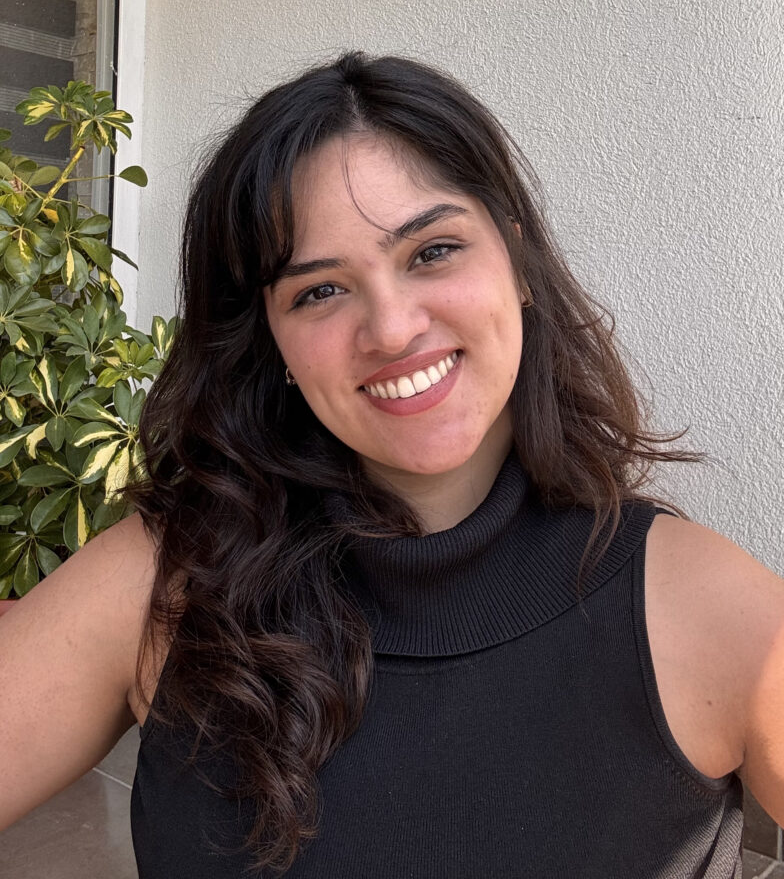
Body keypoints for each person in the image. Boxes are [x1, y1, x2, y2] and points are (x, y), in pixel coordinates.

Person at [1, 52, 782, 879]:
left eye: (433, 251)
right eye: (319, 292)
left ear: (517, 261)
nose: (392, 328)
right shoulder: (164, 586)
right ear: (271, 342)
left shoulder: (710, 613)